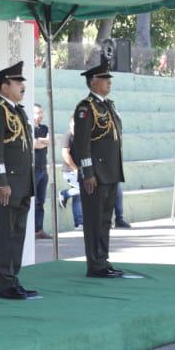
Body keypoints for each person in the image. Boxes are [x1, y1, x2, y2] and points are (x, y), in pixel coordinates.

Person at [0, 61, 38, 299]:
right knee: (6, 234)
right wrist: (1, 182)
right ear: (4, 86)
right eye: (17, 82)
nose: (22, 86)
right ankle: (4, 284)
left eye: (22, 82)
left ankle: (13, 279)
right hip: (7, 185)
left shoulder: (19, 111)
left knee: (18, 233)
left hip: (23, 183)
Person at [71, 58, 125, 278]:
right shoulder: (86, 108)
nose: (108, 82)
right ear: (93, 82)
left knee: (105, 219)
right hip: (96, 174)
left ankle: (102, 259)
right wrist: (88, 173)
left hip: (110, 172)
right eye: (104, 79)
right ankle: (95, 264)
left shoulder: (107, 105)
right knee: (94, 221)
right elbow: (82, 145)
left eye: (108, 78)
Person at [59, 120, 84, 229]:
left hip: (78, 170)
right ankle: (65, 194)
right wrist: (75, 169)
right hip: (70, 171)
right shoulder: (68, 136)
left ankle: (79, 223)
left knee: (78, 197)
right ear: (70, 124)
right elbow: (65, 154)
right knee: (82, 190)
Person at [32, 103, 51, 239]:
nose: (41, 115)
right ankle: (30, 231)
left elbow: (50, 141)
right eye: (38, 113)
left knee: (41, 202)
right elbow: (34, 144)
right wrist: (41, 141)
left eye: (41, 112)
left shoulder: (45, 128)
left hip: (43, 169)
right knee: (33, 200)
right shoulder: (30, 128)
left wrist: (41, 141)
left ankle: (39, 230)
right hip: (33, 169)